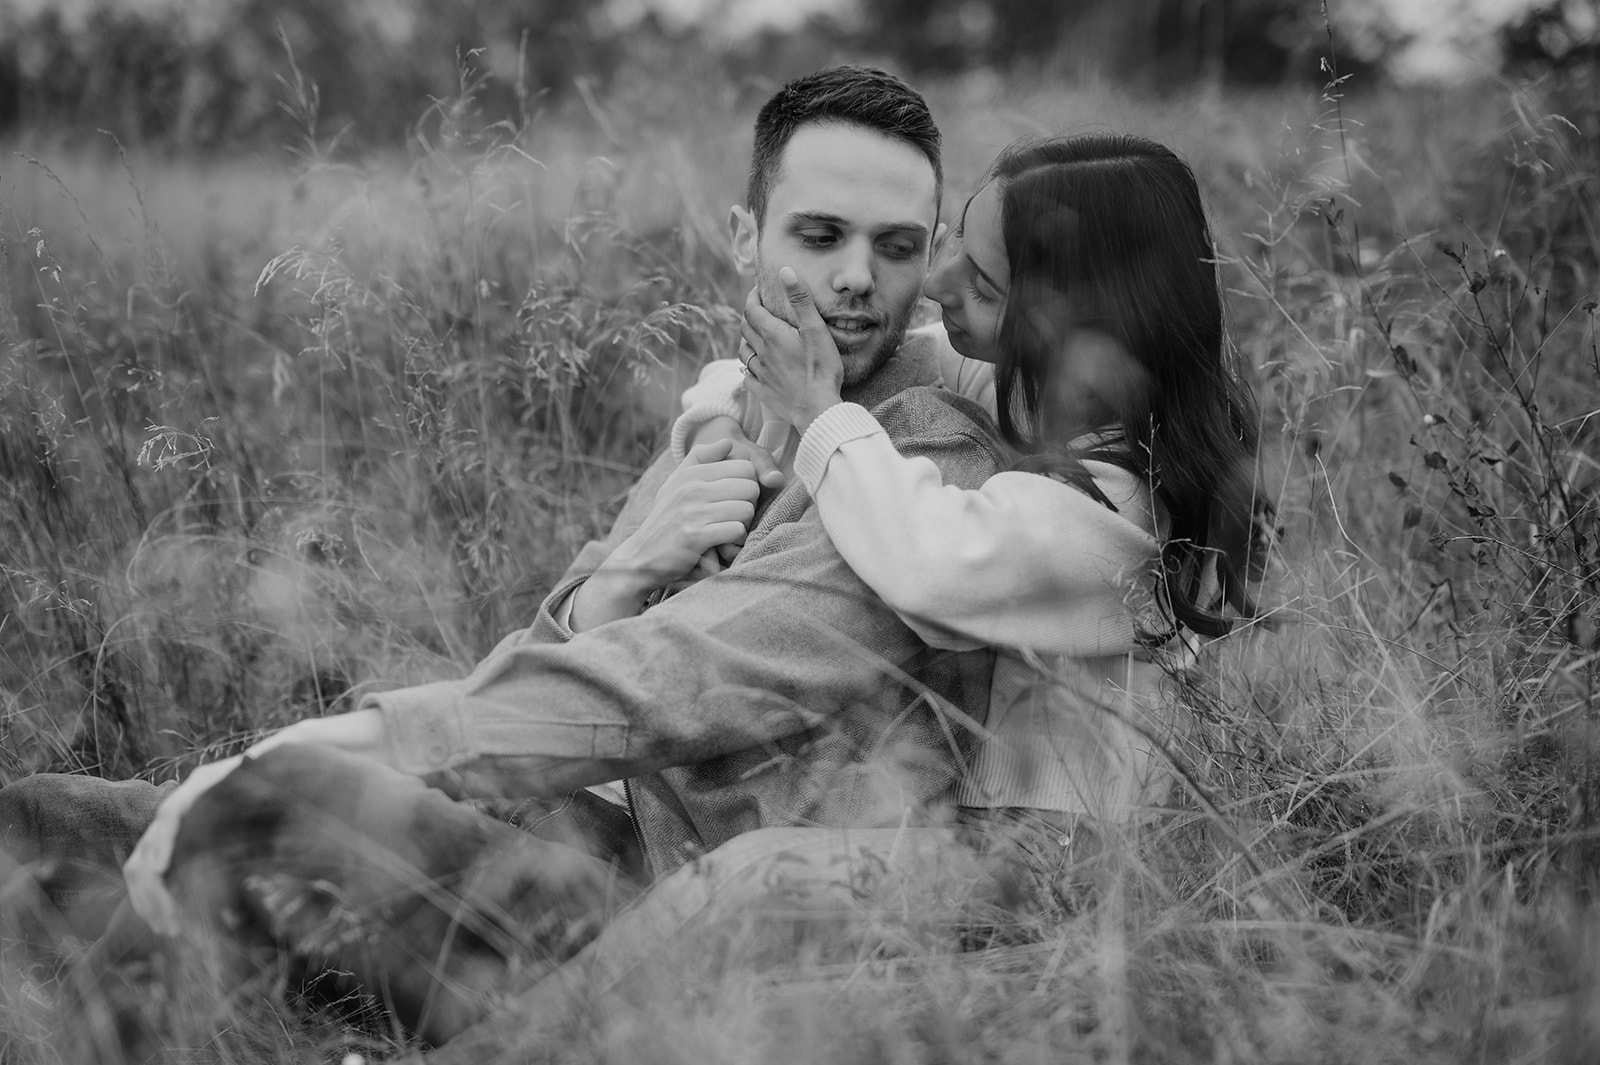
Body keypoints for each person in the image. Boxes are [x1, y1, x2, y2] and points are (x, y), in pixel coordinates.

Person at [0, 65, 1011, 1058]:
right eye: (820, 234)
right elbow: (540, 659)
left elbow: (683, 681)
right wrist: (621, 575)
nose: (854, 278)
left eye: (895, 248)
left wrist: (336, 751)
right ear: (746, 236)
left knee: (263, 812)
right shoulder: (729, 418)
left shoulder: (925, 449)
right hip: (604, 837)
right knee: (49, 816)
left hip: (686, 929)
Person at [674, 133, 1265, 905]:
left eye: (981, 280)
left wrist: (819, 414)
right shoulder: (1037, 391)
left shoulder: (1113, 509)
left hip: (1039, 867)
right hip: (953, 825)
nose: (933, 280)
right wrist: (721, 421)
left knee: (744, 881)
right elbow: (779, 362)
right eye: (951, 239)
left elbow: (931, 564)